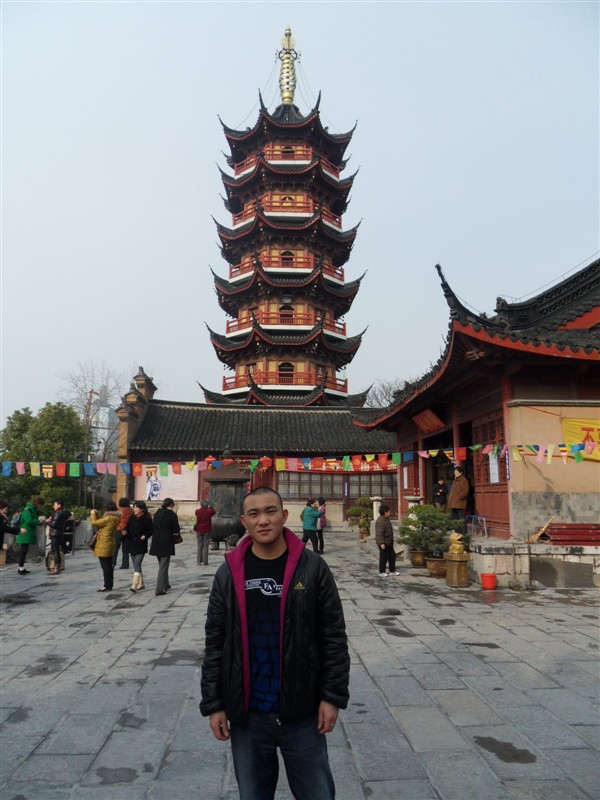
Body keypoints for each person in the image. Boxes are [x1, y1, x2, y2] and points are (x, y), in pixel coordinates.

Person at [200, 487, 349, 800]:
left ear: (284, 516)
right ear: (244, 522)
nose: (263, 520)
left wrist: (331, 696)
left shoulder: (312, 568)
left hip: (303, 712)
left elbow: (333, 635)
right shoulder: (229, 573)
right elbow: (215, 641)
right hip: (248, 717)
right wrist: (214, 704)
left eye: (271, 511)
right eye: (254, 514)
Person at [150, 497, 180, 595]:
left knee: (162, 565)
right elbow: (176, 529)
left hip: (156, 542)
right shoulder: (172, 515)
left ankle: (165, 584)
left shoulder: (157, 514)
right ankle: (159, 589)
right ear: (171, 505)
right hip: (166, 542)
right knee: (163, 566)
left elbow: (153, 526)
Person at [89, 502, 120, 592]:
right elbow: (102, 521)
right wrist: (97, 514)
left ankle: (107, 585)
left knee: (105, 566)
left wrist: (92, 514)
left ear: (107, 509)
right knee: (109, 565)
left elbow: (94, 523)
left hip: (104, 543)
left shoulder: (109, 518)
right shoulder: (115, 517)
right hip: (110, 542)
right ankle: (109, 584)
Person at [125, 500, 153, 592]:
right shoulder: (131, 518)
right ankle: (141, 583)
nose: (134, 509)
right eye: (134, 507)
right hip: (131, 544)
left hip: (141, 544)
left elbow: (151, 530)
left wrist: (145, 536)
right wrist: (124, 531)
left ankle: (134, 584)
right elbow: (127, 528)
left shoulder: (147, 518)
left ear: (142, 509)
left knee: (137, 563)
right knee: (136, 564)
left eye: (136, 507)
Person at [16, 496, 44, 575]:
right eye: (40, 505)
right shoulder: (28, 510)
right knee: (23, 551)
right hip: (25, 533)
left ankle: (21, 567)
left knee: (24, 551)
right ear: (37, 503)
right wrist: (38, 521)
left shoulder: (31, 509)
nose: (40, 507)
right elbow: (29, 520)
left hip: (27, 533)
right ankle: (20, 568)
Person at [46, 499, 72, 574]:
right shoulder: (63, 513)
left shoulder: (58, 513)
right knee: (57, 550)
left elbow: (54, 525)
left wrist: (46, 522)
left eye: (55, 504)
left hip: (55, 534)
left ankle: (56, 568)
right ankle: (57, 567)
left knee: (55, 551)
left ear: (59, 505)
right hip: (60, 533)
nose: (53, 506)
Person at [375, 503, 399, 577]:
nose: (389, 512)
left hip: (389, 542)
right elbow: (379, 533)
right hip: (384, 542)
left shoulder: (386, 519)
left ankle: (392, 570)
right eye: (388, 511)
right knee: (384, 557)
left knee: (392, 556)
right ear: (385, 512)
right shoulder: (381, 521)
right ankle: (382, 571)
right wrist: (382, 543)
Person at [448, 466, 470, 532]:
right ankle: (456, 532)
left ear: (460, 473)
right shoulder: (455, 480)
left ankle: (463, 533)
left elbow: (465, 491)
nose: (455, 473)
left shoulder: (463, 480)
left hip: (460, 503)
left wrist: (459, 497)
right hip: (454, 503)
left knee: (461, 518)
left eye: (456, 471)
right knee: (454, 518)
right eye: (454, 471)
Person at [194, 499, 216, 566]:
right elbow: (214, 512)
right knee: (205, 546)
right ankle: (205, 562)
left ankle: (198, 561)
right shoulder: (209, 511)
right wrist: (210, 506)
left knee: (199, 545)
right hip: (207, 530)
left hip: (199, 529)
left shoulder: (197, 511)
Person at [113, 498, 132, 570]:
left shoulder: (118, 511)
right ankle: (125, 564)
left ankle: (112, 563)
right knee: (125, 548)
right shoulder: (131, 511)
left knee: (115, 548)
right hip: (127, 530)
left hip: (118, 530)